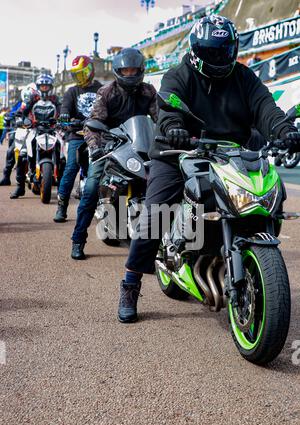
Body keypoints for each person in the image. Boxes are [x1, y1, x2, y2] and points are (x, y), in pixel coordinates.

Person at [116, 14, 300, 323]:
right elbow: (169, 109)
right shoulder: (179, 75)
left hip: (231, 153)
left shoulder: (244, 77)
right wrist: (173, 127)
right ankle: (130, 284)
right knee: (156, 211)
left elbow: (267, 108)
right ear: (195, 50)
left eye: (223, 51)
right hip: (179, 151)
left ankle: (247, 255)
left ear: (233, 49)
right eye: (210, 51)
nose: (217, 57)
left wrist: (284, 132)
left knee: (270, 195)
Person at [70, 47, 158, 260]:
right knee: (91, 188)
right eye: (125, 70)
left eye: (133, 70)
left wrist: (170, 131)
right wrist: (95, 147)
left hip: (141, 147)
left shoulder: (149, 91)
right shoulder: (107, 92)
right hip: (110, 147)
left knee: (160, 185)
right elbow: (93, 123)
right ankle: (78, 239)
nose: (130, 74)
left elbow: (160, 118)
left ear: (141, 70)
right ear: (118, 70)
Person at [53, 55, 102, 222]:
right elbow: (65, 108)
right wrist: (65, 115)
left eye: (82, 73)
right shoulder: (71, 91)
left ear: (90, 71)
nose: (79, 77)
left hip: (98, 135)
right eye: (77, 75)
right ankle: (62, 206)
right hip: (77, 135)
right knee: (71, 168)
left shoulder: (101, 89)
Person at [10, 74, 60, 199]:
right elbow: (23, 111)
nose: (44, 88)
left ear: (51, 87)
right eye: (42, 86)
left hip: (52, 131)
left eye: (46, 86)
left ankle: (62, 187)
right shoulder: (33, 98)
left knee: (63, 156)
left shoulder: (55, 99)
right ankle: (20, 187)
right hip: (34, 130)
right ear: (38, 87)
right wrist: (20, 118)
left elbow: (63, 111)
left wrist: (64, 118)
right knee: (22, 155)